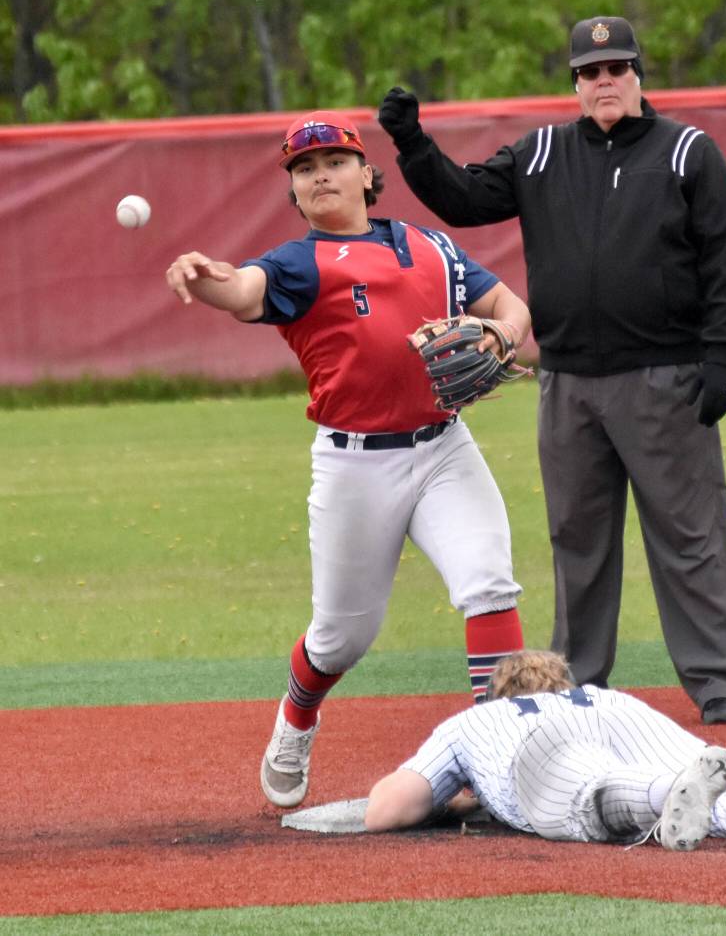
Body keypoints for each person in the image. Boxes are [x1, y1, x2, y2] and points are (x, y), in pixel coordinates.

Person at [378, 16, 726, 725]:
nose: (604, 81)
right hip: (568, 385)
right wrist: (411, 144)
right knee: (577, 537)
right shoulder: (542, 153)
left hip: (664, 378)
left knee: (690, 535)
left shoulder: (688, 155)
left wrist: (721, 359)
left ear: (639, 73)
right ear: (575, 84)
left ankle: (716, 682)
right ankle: (580, 679)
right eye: (590, 71)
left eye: (616, 68)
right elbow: (463, 199)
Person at [165, 111, 531, 809]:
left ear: (368, 175)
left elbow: (507, 303)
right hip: (355, 465)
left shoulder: (430, 246)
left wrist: (502, 333)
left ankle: (499, 754)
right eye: (303, 170)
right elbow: (242, 290)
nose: (320, 174)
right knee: (340, 637)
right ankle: (298, 716)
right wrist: (205, 277)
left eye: (334, 161)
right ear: (294, 195)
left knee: (488, 584)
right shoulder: (297, 263)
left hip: (444, 447)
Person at [364, 650, 726, 849]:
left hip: (538, 752)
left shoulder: (478, 719)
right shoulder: (601, 694)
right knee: (711, 770)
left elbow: (386, 812)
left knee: (592, 793)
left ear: (499, 693)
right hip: (620, 719)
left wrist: (462, 797)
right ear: (562, 680)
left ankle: (668, 797)